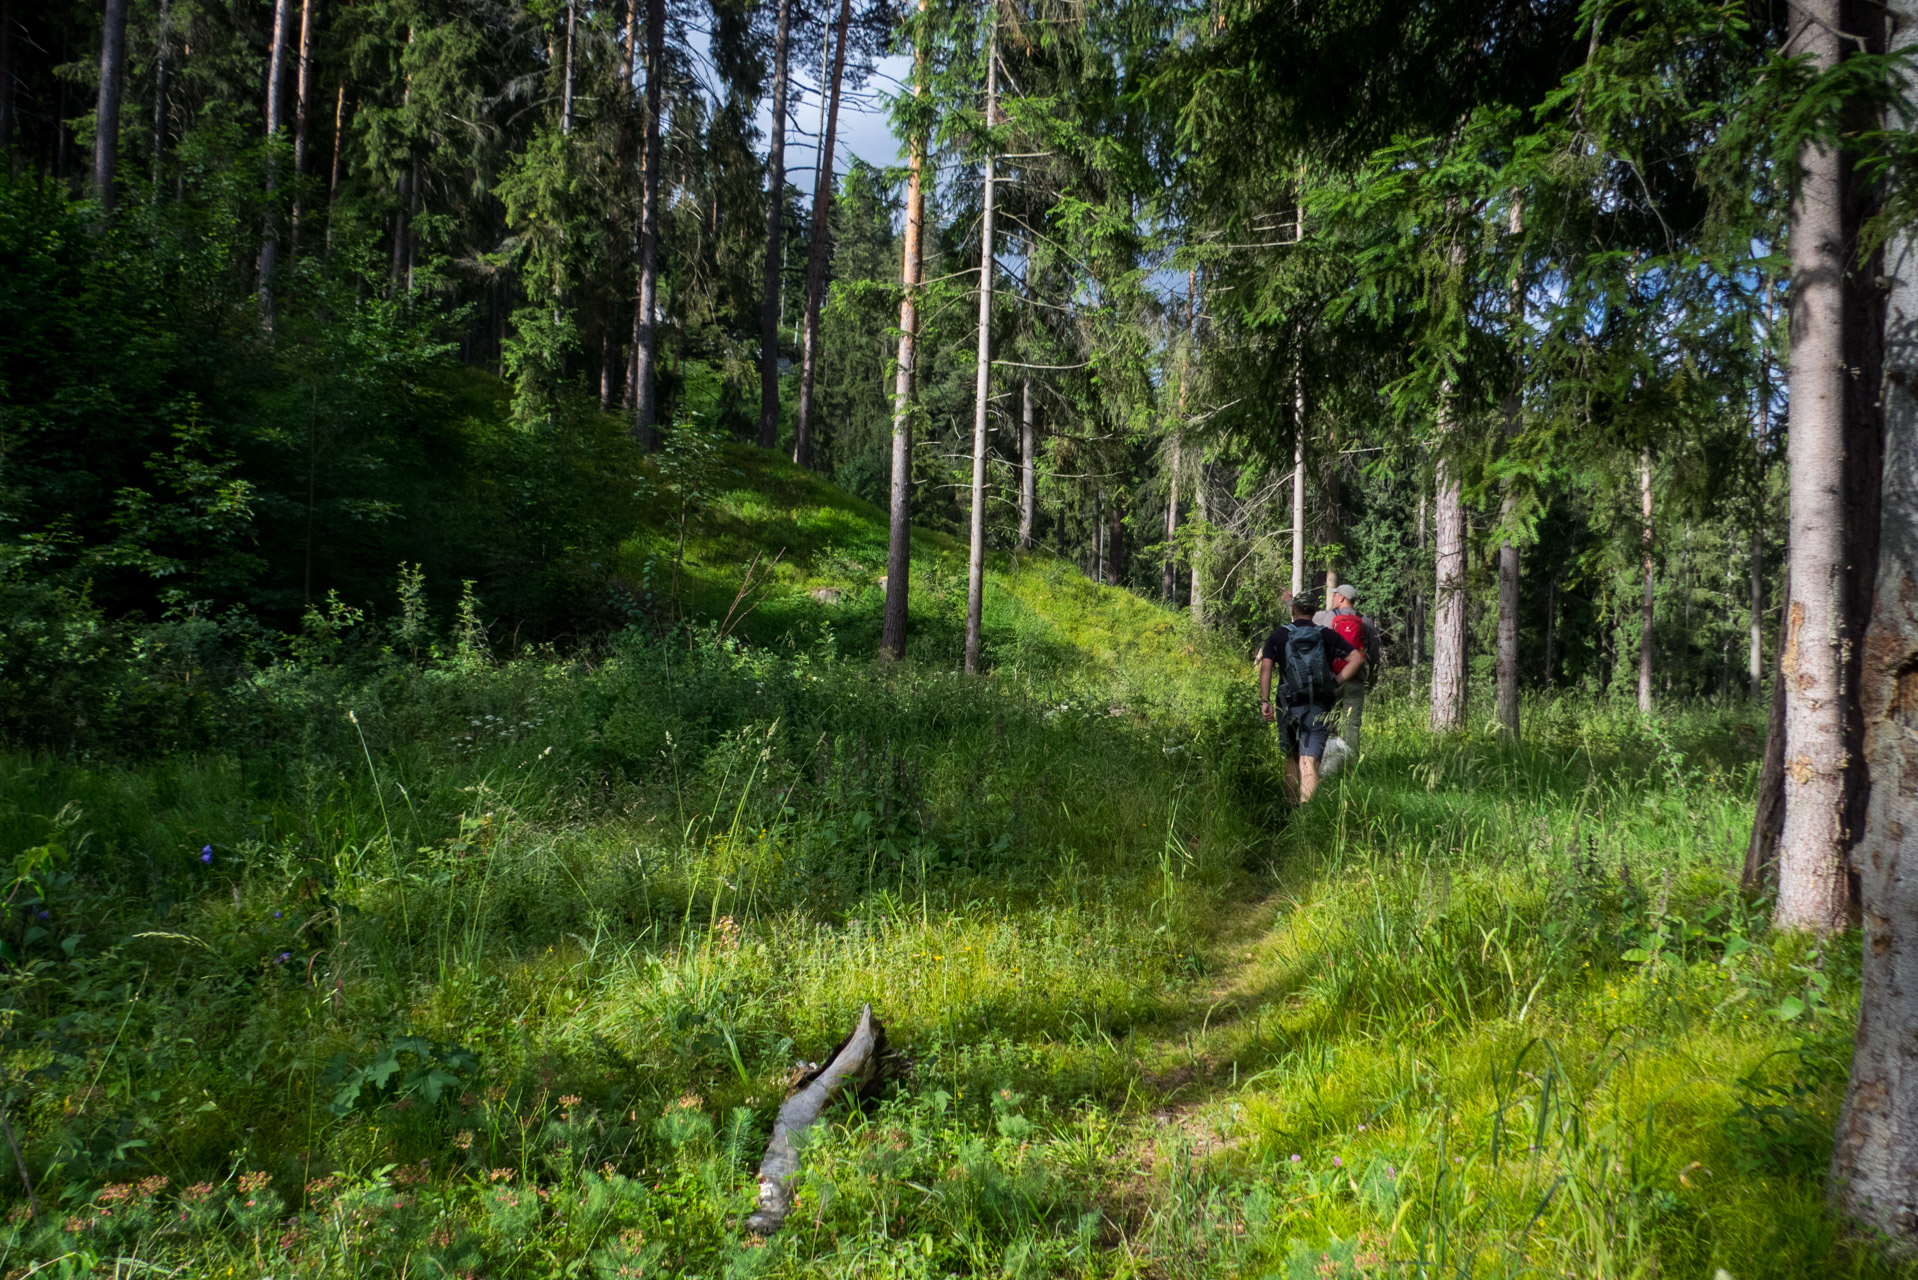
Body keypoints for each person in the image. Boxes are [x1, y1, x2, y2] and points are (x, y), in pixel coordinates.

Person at [1259, 589, 1364, 803]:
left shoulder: (1279, 635)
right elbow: (1356, 658)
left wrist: (1265, 700)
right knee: (1311, 761)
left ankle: (1291, 809)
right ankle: (1306, 818)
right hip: (1318, 706)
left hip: (1287, 706)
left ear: (1294, 610)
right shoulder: (1325, 634)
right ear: (1314, 611)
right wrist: (1336, 681)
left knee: (1291, 759)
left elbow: (1266, 666)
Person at [1321, 583, 1378, 755]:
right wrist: (1371, 680)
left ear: (1342, 598)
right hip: (1355, 680)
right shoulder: (1365, 621)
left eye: (1335, 594)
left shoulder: (1327, 617)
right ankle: (1350, 765)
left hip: (1332, 680)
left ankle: (1328, 765)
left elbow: (1302, 618)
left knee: (1329, 724)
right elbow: (1374, 656)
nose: (1332, 597)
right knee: (1352, 725)